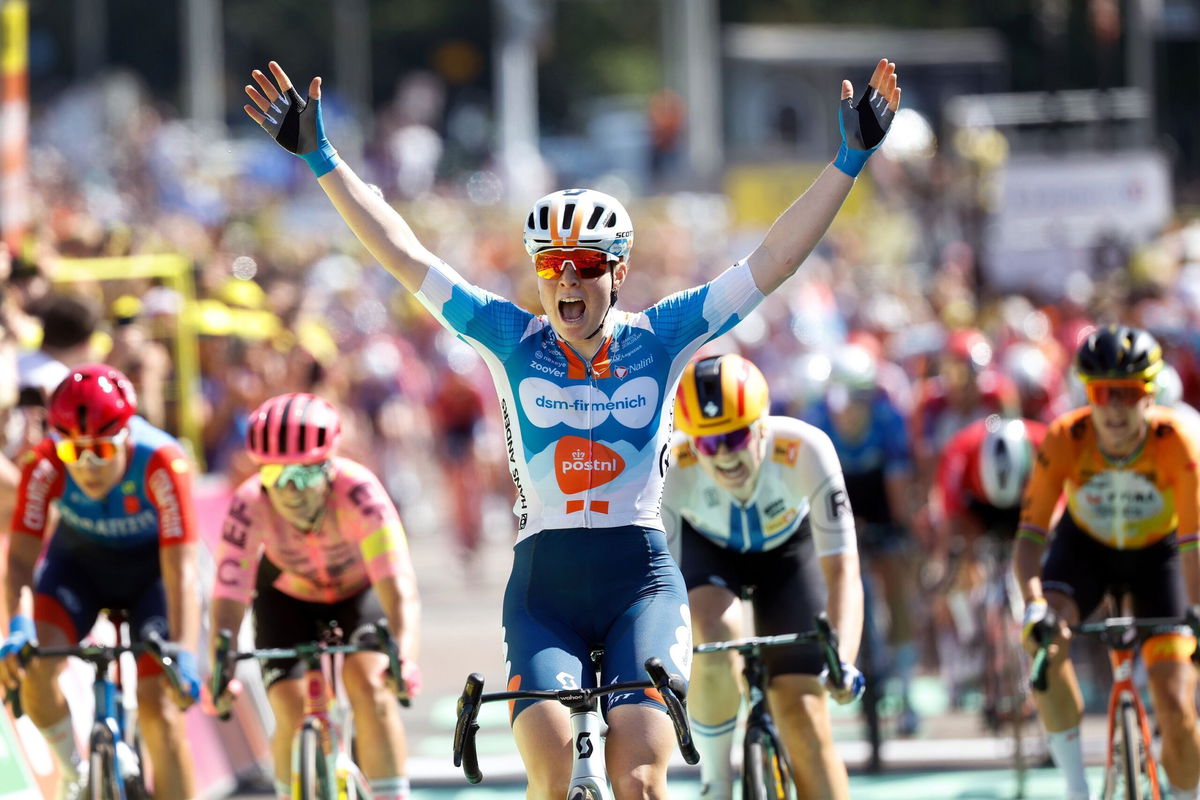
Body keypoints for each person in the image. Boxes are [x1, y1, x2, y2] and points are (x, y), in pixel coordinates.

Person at [242, 56, 900, 799]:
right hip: (543, 591)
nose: (565, 280)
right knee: (552, 778)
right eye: (550, 264)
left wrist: (848, 162)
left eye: (585, 263)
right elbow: (403, 253)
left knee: (641, 779)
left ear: (617, 272)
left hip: (641, 584)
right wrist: (323, 159)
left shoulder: (663, 336)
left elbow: (772, 259)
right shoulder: (508, 339)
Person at [663, 354, 864, 800]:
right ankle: (716, 780)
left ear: (763, 427)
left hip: (788, 555)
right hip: (709, 552)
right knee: (713, 631)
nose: (725, 456)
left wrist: (843, 661)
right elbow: (663, 590)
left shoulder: (808, 449)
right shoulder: (672, 466)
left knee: (803, 715)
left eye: (735, 437)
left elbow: (843, 571)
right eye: (709, 444)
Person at [1015, 325, 1200, 800]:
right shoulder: (1064, 437)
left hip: (1159, 558)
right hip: (1085, 551)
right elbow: (1031, 537)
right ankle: (1077, 790)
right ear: (1087, 394)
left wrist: (1197, 612)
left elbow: (1193, 543)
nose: (1115, 407)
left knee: (1177, 701)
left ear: (1150, 394)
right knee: (1043, 643)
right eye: (1102, 393)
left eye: (1128, 392)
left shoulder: (1177, 441)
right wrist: (1035, 604)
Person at [0, 364, 202, 800]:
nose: (88, 466)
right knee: (35, 666)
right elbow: (18, 561)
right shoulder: (43, 463)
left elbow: (182, 569)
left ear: (127, 437)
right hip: (78, 572)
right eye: (74, 453)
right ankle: (72, 775)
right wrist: (18, 626)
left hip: (154, 579)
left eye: (102, 452)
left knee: (160, 709)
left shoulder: (163, 460)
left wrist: (183, 649)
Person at [208, 392, 421, 800]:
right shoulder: (249, 503)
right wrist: (223, 663)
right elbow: (228, 593)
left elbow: (398, 587)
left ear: (329, 466)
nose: (289, 491)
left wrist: (405, 656)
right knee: (289, 707)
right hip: (286, 598)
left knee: (372, 686)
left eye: (303, 476)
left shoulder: (359, 492)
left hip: (358, 594)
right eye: (274, 477)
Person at [805, 343, 920, 735]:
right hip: (835, 493)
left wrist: (900, 529)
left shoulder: (888, 420)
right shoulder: (816, 419)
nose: (853, 408)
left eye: (862, 398)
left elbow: (898, 482)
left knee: (897, 583)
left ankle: (905, 691)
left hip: (878, 494)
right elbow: (808, 488)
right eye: (846, 398)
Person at [930, 414, 1045, 718]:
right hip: (977, 509)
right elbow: (950, 517)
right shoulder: (959, 451)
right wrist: (954, 562)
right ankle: (976, 642)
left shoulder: (1042, 442)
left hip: (1028, 503)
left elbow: (1058, 506)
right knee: (959, 566)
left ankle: (1031, 678)